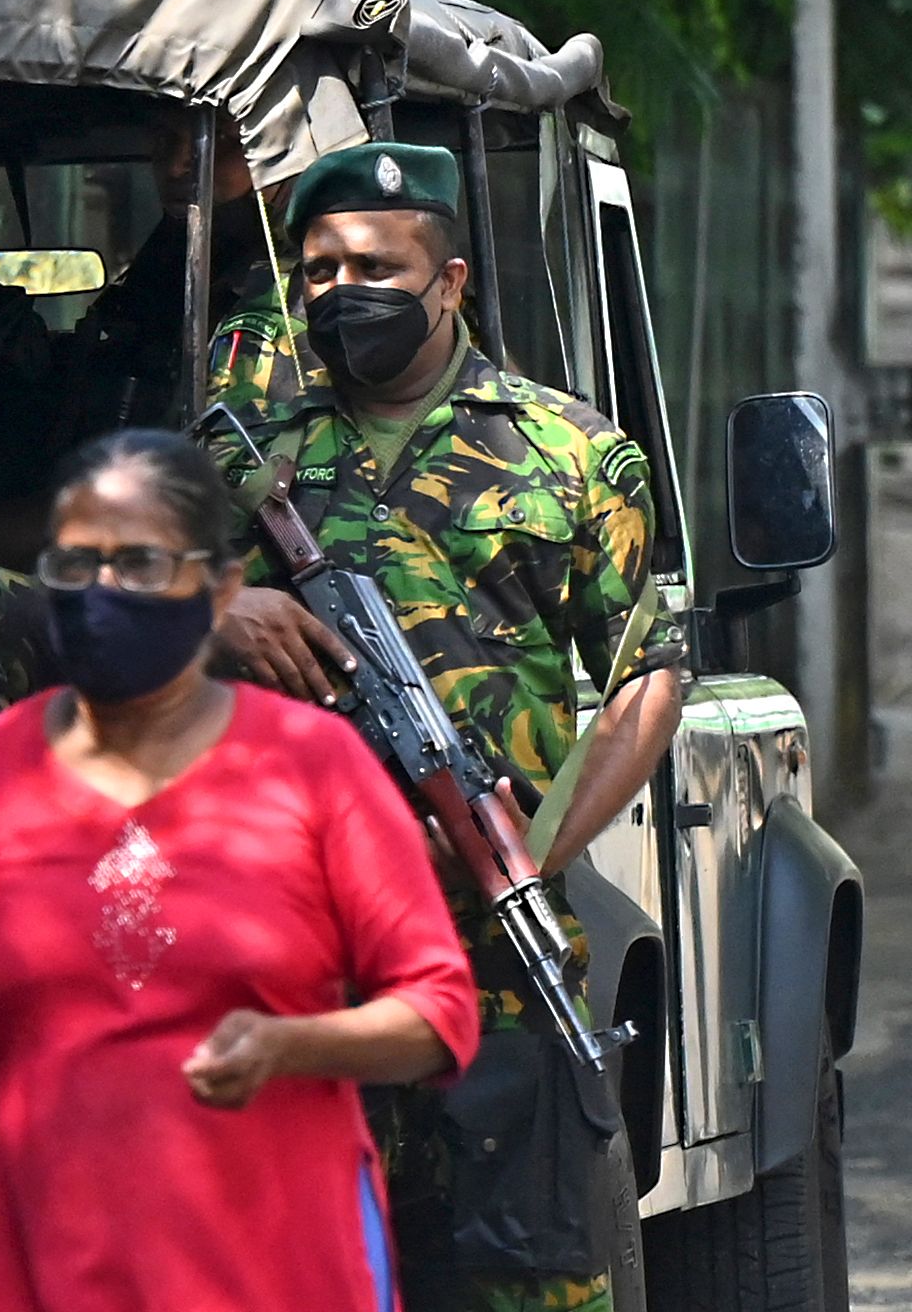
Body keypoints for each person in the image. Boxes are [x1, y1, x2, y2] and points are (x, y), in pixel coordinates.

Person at [0, 430, 481, 1312]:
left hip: (286, 1276)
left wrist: (296, 1044)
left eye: (138, 565)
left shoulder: (314, 767)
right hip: (51, 1279)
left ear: (222, 593)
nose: (101, 594)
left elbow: (439, 1012)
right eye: (75, 563)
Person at [207, 142, 687, 1312]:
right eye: (317, 269)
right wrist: (217, 600)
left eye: (376, 264)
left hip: (490, 939)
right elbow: (108, 591)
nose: (340, 291)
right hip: (285, 948)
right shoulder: (234, 452)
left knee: (525, 1271)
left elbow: (644, 679)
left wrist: (530, 857)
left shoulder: (574, 455)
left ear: (452, 281)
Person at [0, 109, 299, 955]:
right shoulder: (161, 284)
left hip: (232, 631)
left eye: (215, 137)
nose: (180, 159)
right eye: (162, 135)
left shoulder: (286, 313)